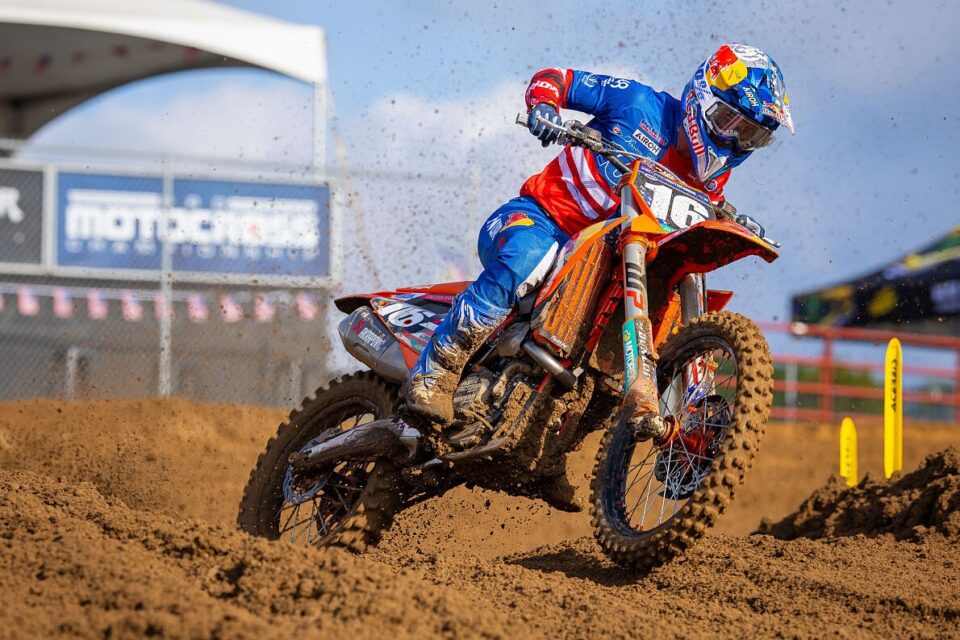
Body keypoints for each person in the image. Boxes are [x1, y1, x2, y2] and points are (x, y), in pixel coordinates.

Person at [404, 43, 794, 426]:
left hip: (612, 259)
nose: (734, 141)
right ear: (701, 98)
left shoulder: (711, 177)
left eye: (751, 136)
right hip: (542, 220)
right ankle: (435, 373)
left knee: (667, 291)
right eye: (729, 122)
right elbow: (557, 78)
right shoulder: (637, 104)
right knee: (530, 259)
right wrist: (545, 107)